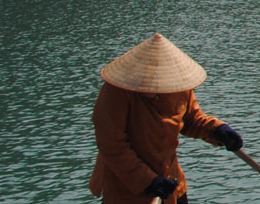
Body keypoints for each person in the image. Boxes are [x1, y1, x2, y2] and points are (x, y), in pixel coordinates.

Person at [90, 33, 243, 204]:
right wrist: (148, 181)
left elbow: (191, 119)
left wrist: (217, 130)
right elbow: (112, 146)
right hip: (127, 189)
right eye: (148, 82)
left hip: (171, 185)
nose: (155, 88)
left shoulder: (177, 86)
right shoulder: (116, 91)